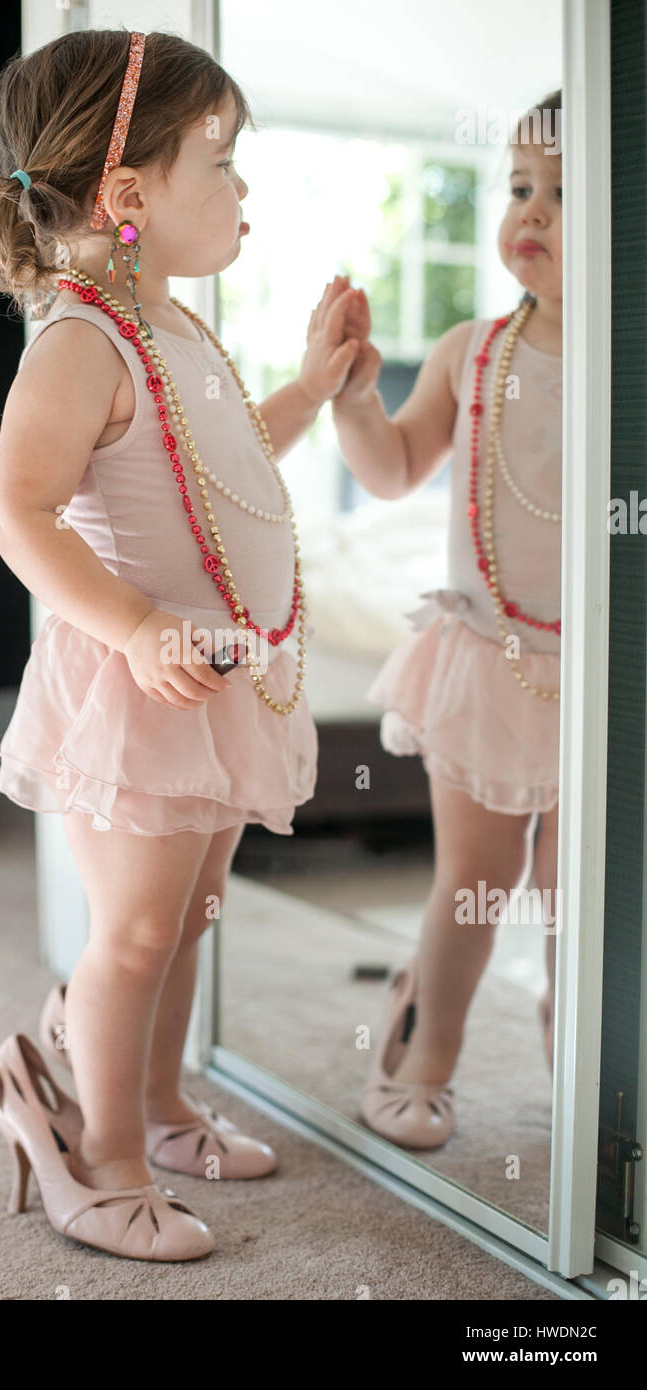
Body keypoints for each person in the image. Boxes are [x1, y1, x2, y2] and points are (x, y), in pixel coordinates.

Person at [0, 28, 360, 1259]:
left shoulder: (181, 331)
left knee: (187, 920)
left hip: (219, 681)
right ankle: (100, 1152)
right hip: (136, 688)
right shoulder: (81, 338)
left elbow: (215, 473)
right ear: (127, 197)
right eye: (222, 161)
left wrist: (314, 382)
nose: (242, 190)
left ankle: (162, 1102)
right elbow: (16, 512)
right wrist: (132, 629)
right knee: (133, 929)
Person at [330, 91, 563, 1150]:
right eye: (520, 188)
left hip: (599, 673)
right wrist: (350, 402)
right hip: (485, 661)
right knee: (472, 880)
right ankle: (424, 1051)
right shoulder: (472, 352)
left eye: (565, 194)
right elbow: (390, 471)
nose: (533, 211)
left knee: (583, 902)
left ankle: (587, 1070)